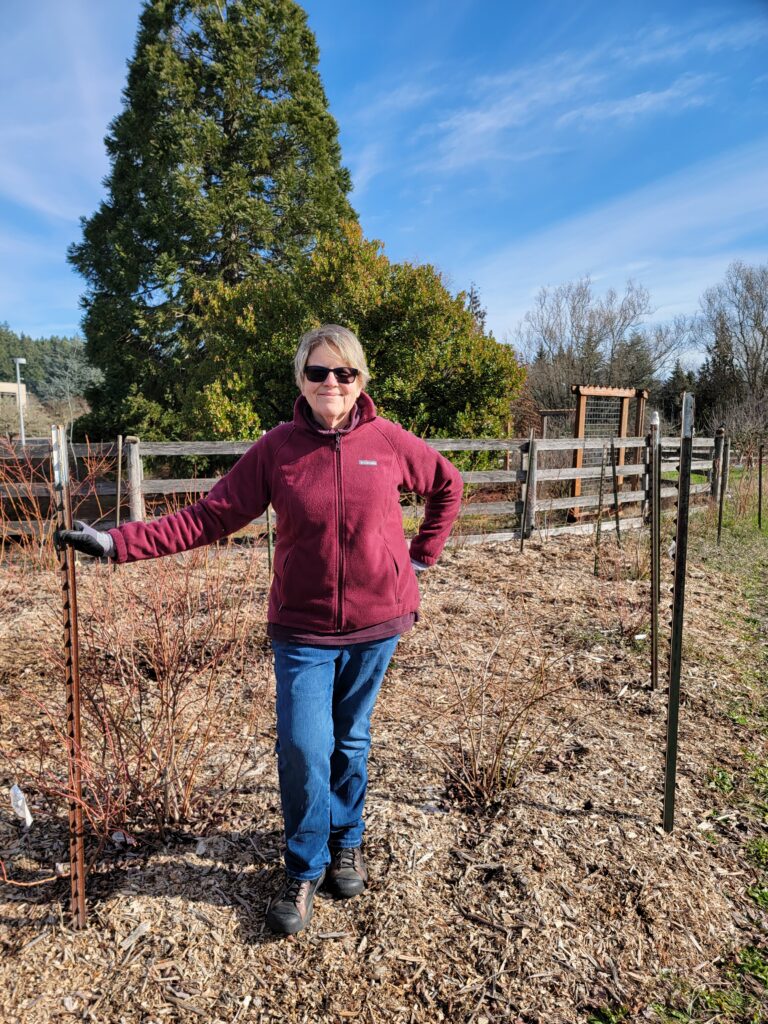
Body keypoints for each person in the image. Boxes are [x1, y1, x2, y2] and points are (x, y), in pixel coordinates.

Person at [58, 324, 463, 935]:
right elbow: (208, 516)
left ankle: (344, 841)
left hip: (379, 622)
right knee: (304, 747)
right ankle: (304, 867)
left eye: (344, 373)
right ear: (301, 379)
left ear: (361, 380)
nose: (332, 383)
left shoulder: (389, 440)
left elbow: (448, 486)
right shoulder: (278, 449)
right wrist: (116, 542)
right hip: (301, 629)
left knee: (351, 740)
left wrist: (421, 556)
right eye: (319, 372)